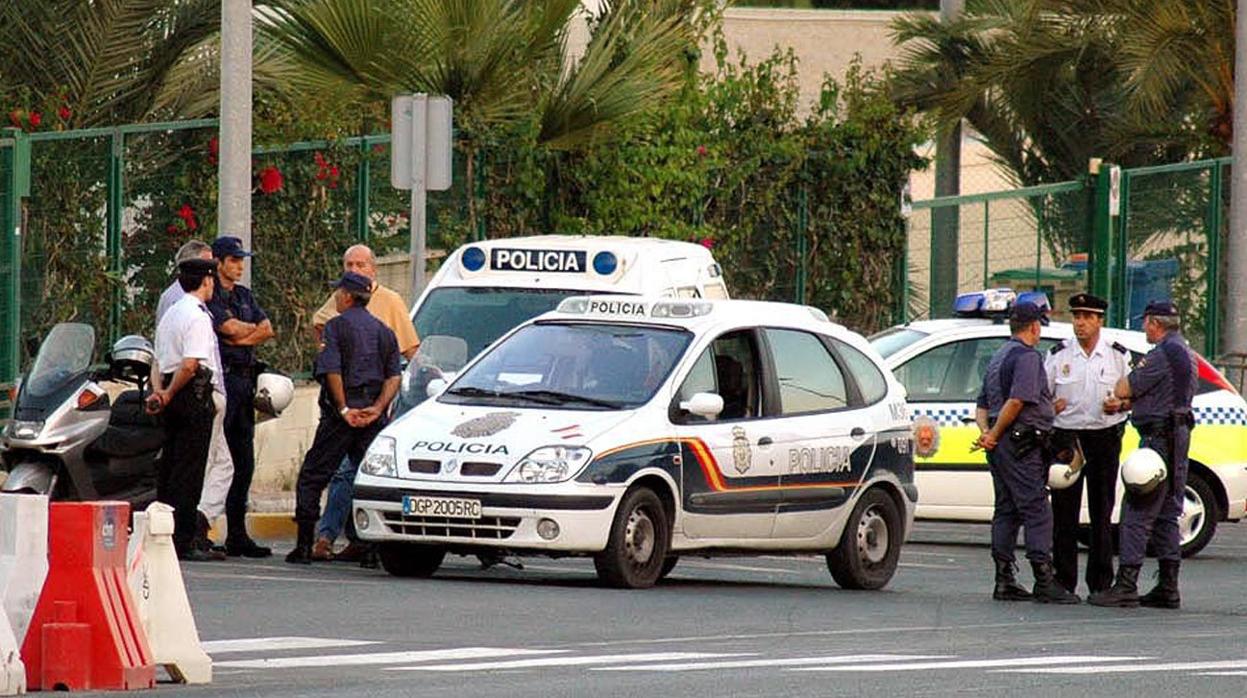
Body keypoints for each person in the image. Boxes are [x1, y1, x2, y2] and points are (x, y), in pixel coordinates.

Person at [310, 244, 419, 563]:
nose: (354, 269)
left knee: (353, 469)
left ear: (373, 269)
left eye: (360, 264)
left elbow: (410, 350)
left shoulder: (391, 302)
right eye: (349, 264)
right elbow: (320, 327)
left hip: (374, 400)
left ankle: (335, 536)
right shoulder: (339, 298)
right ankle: (338, 536)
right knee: (340, 469)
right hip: (341, 399)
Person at [286, 271, 401, 564]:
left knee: (312, 476)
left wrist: (344, 409)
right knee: (372, 480)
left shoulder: (335, 328)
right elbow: (393, 377)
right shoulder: (384, 331)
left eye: (339, 293)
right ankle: (371, 550)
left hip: (341, 417)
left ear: (348, 297)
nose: (336, 297)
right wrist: (376, 409)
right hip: (372, 416)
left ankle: (303, 546)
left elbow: (332, 370)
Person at [1089, 300, 1196, 609]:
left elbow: (1125, 387)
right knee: (1165, 513)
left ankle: (1126, 584)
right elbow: (1156, 396)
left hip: (1159, 440)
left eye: (1145, 322)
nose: (1143, 328)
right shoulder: (1183, 351)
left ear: (1154, 323)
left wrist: (1122, 395)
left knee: (1137, 509)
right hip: (1174, 435)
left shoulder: (1163, 354)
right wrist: (1128, 406)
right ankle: (1167, 585)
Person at [975, 301, 1079, 604]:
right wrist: (994, 434)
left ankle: (1004, 578)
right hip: (1020, 444)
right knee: (1036, 508)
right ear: (1034, 327)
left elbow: (982, 405)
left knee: (1006, 509)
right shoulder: (1028, 358)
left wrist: (986, 434)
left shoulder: (998, 357)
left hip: (1001, 444)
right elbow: (1018, 401)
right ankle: (1044, 579)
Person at [1043, 293, 1131, 594]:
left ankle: (1101, 582)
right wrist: (1050, 408)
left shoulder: (1117, 355)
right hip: (1067, 436)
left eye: (1086, 317)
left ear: (1099, 321)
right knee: (1064, 512)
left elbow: (1131, 396)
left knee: (1101, 510)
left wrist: (1118, 405)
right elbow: (1044, 395)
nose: (1079, 323)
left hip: (1103, 436)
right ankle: (1063, 580)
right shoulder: (1058, 355)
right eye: (1076, 316)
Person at [157, 240, 232, 560]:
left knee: (171, 468)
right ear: (206, 281)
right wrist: (173, 391)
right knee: (191, 471)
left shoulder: (171, 312)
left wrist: (160, 392)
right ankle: (185, 539)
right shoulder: (198, 316)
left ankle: (165, 532)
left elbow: (158, 362)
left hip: (171, 394)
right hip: (193, 394)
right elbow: (191, 364)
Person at [208, 236, 275, 558]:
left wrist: (241, 336)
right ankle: (202, 528)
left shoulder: (245, 295)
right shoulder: (211, 296)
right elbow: (229, 329)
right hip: (223, 382)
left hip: (245, 383)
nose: (239, 266)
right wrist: (243, 335)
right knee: (217, 460)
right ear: (219, 262)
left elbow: (267, 328)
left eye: (241, 260)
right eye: (233, 260)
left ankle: (237, 533)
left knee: (243, 462)